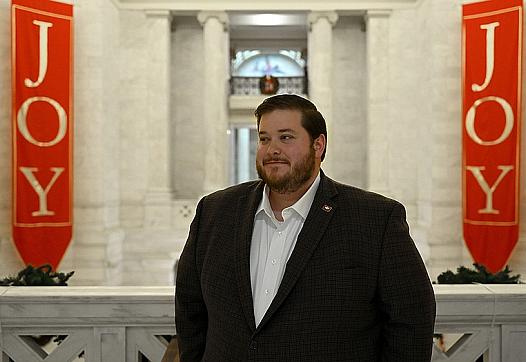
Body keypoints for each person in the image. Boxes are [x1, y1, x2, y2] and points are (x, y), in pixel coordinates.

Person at [175, 94, 436, 361]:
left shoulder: (375, 220)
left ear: (318, 145)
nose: (272, 149)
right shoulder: (215, 211)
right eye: (265, 139)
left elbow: (412, 320)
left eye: (286, 137)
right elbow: (190, 308)